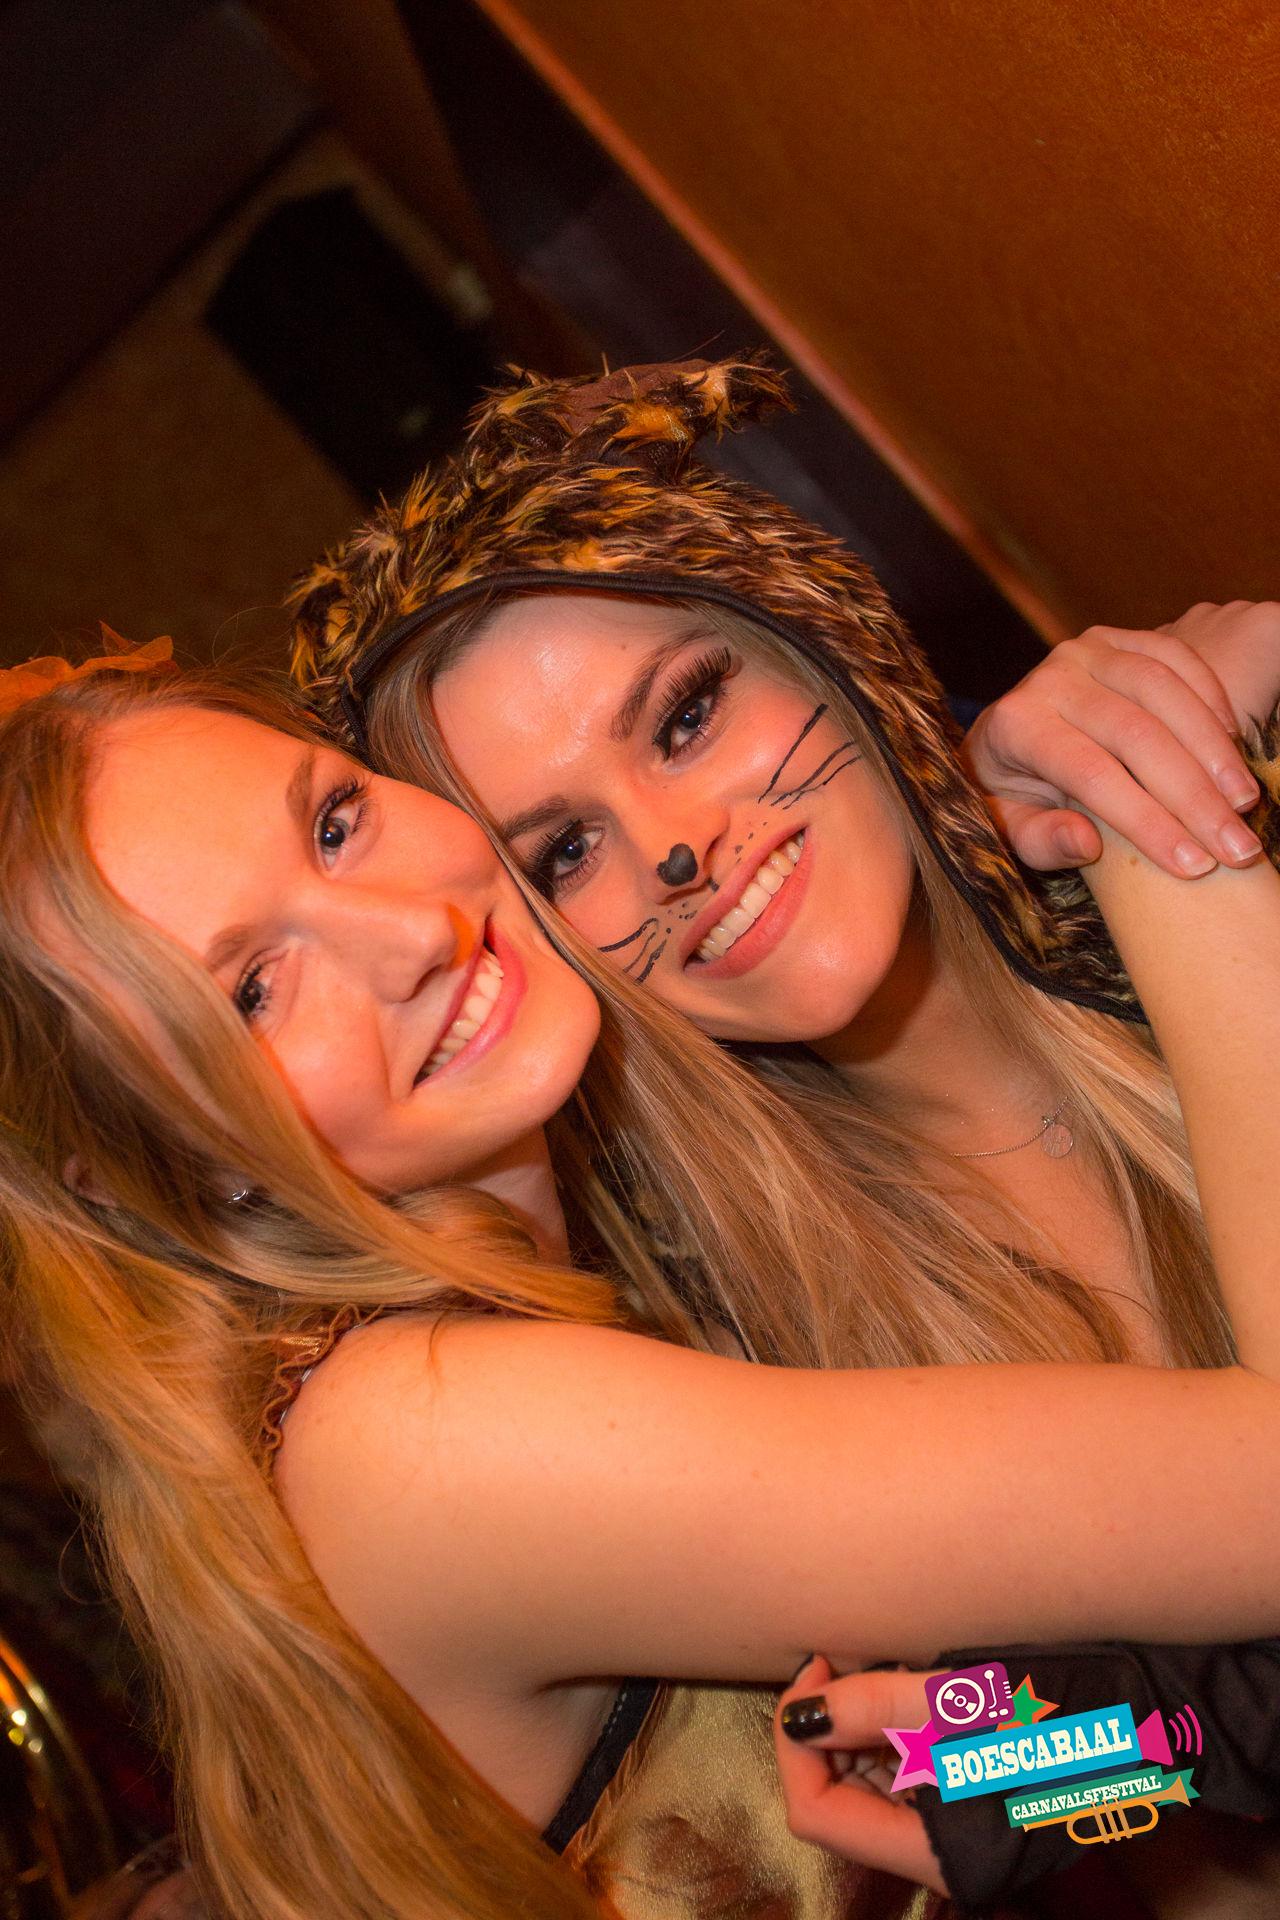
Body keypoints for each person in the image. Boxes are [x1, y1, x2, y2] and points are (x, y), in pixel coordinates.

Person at [3, 646, 1280, 1920]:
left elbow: (1089, 1789)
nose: (412, 934)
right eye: (252, 992)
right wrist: (1159, 813)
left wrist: (1090, 1761)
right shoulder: (426, 1433)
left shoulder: (616, 1287)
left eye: (337, 823)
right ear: (141, 1171)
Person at [284, 356, 1280, 1906]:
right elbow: (1203, 1774)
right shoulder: (748, 1380)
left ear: (823, 634)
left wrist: (1172, 826)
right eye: (564, 853)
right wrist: (1058, 1771)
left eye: (686, 715)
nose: (675, 850)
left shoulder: (1231, 830)